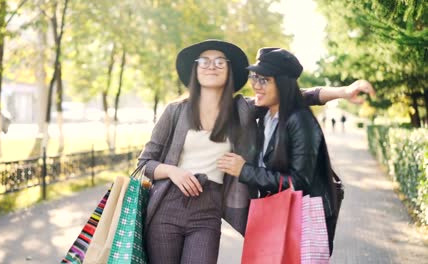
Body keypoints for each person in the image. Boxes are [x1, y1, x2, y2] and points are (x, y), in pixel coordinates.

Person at [138, 40, 374, 263]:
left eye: (220, 62)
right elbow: (144, 163)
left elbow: (295, 95)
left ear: (230, 72)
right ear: (195, 71)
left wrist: (343, 92)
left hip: (208, 212)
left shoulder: (243, 109)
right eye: (204, 61)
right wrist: (172, 171)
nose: (212, 66)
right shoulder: (175, 111)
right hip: (166, 208)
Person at [217, 48, 341, 255]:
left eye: (264, 79)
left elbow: (299, 182)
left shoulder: (300, 121)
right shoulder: (265, 116)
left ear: (283, 84)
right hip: (274, 213)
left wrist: (244, 170)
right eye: (254, 77)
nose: (256, 85)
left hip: (301, 219)